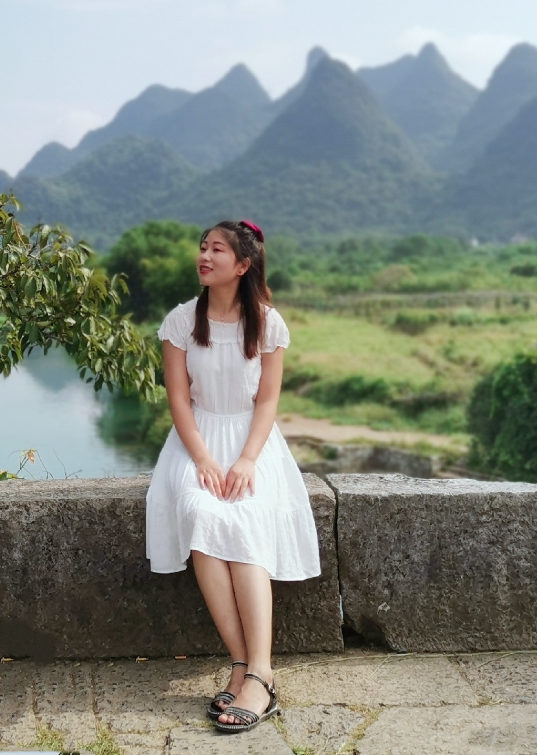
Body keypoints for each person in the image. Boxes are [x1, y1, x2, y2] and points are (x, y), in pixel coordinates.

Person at [144, 219, 321, 735]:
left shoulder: (267, 323)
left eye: (216, 249)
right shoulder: (181, 321)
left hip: (252, 443)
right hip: (195, 442)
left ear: (243, 265)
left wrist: (245, 460)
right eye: (202, 247)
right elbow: (179, 399)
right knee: (199, 516)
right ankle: (247, 666)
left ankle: (256, 672)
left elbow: (267, 401)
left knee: (245, 519)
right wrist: (201, 458)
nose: (204, 255)